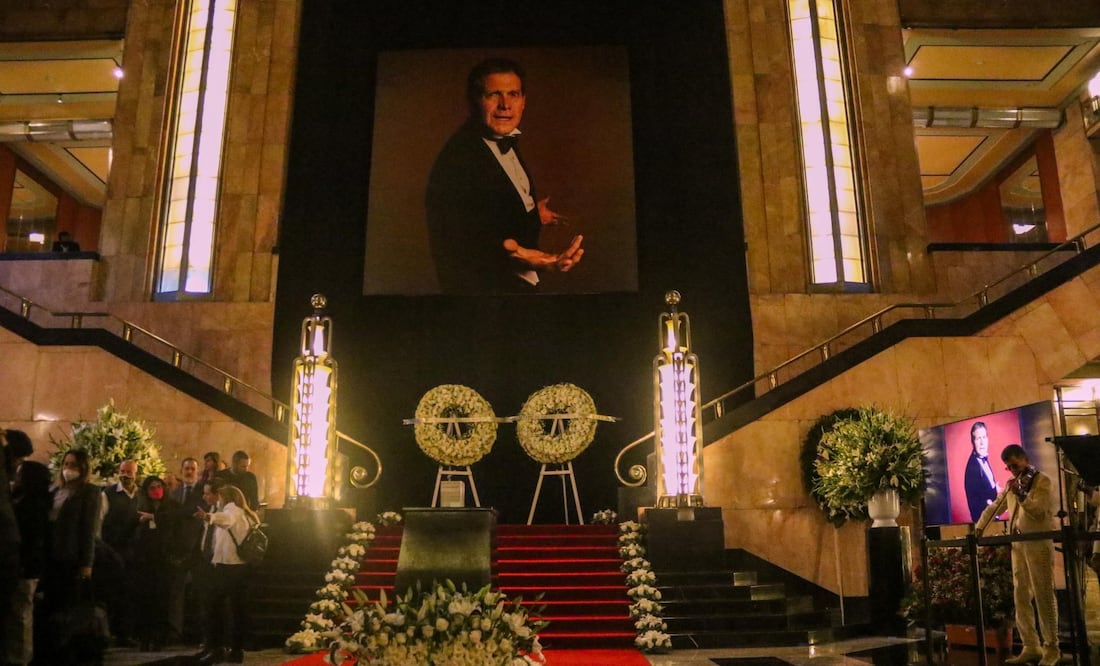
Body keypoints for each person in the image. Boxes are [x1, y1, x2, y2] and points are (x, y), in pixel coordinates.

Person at [426, 57, 584, 294]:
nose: (505, 105)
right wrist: (533, 259)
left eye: (513, 94)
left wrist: (530, 215)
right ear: (474, 101)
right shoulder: (458, 160)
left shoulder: (501, 136)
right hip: (486, 298)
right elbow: (463, 240)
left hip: (516, 290)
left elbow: (487, 210)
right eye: (493, 95)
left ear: (523, 102)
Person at [974, 444, 1060, 666]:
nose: (1012, 470)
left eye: (1015, 464)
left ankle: (1052, 648)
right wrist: (979, 528)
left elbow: (1039, 510)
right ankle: (1031, 645)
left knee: (1043, 595)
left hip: (1038, 544)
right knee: (1020, 595)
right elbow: (995, 507)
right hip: (1018, 546)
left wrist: (1021, 495)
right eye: (1008, 467)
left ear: (1024, 458)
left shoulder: (1043, 481)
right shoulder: (1014, 485)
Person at [38, 449, 103, 663]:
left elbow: (87, 530)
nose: (68, 469)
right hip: (51, 557)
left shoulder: (89, 492)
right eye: (66, 464)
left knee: (70, 608)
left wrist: (87, 564)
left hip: (71, 556)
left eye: (74, 465)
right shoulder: (55, 490)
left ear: (83, 468)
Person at [194, 484, 256, 664]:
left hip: (230, 567)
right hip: (235, 567)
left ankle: (222, 648)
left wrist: (208, 516)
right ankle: (232, 649)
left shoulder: (233, 509)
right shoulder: (243, 512)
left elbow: (226, 520)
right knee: (235, 609)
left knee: (218, 608)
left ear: (225, 497)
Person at [132, 475, 183, 651]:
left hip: (164, 560)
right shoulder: (139, 506)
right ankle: (145, 637)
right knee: (146, 600)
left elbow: (175, 524)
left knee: (163, 600)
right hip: (145, 561)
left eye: (159, 486)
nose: (156, 490)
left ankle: (160, 638)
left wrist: (154, 518)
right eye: (152, 488)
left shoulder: (172, 506)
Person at [9, 460, 51, 666]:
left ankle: (21, 658)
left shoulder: (34, 506)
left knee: (21, 615)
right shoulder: (20, 499)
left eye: (20, 474)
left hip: (26, 567)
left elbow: (34, 540)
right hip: (18, 564)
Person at [100, 459, 141, 646]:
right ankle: (110, 633)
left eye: (129, 472)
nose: (125, 475)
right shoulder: (107, 494)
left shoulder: (141, 495)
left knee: (131, 593)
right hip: (113, 551)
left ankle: (127, 633)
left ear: (136, 474)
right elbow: (99, 522)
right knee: (111, 593)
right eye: (122, 471)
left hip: (134, 553)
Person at [169, 457, 205, 644]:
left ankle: (198, 634)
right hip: (177, 552)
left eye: (192, 469)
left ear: (198, 473)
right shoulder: (173, 494)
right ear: (181, 471)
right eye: (186, 468)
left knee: (198, 595)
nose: (189, 472)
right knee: (176, 595)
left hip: (197, 551)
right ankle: (176, 633)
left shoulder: (203, 495)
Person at [964, 422, 1000, 521]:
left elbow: (984, 489)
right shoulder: (972, 467)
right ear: (973, 441)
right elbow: (976, 502)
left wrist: (995, 490)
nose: (982, 442)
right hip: (985, 522)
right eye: (978, 438)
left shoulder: (983, 459)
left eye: (984, 437)